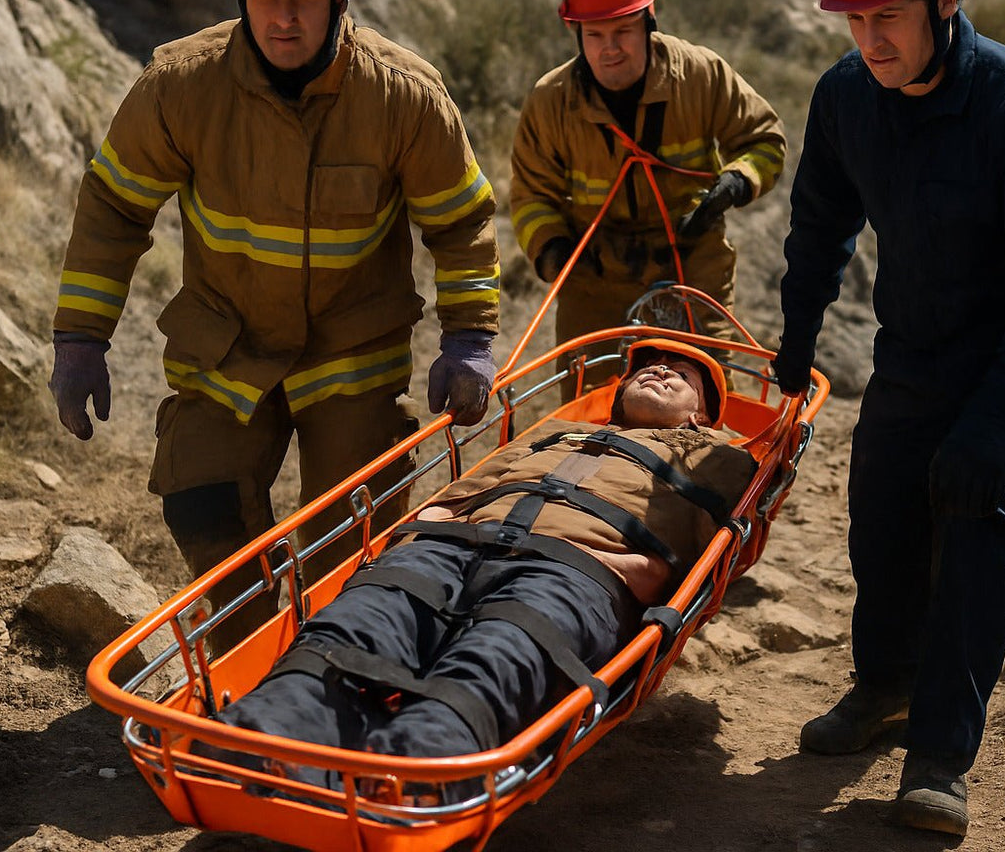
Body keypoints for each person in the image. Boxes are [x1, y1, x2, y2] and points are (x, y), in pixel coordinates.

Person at [47, 0, 501, 646]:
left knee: (349, 542)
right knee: (203, 506)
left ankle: (335, 668)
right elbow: (115, 208)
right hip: (230, 346)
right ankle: (262, 662)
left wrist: (471, 338)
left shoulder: (405, 97)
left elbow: (459, 224)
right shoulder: (180, 88)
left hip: (350, 354)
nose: (284, 17)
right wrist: (80, 337)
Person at [772, 0, 1005, 837]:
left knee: (975, 512)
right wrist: (798, 332)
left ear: (946, 0)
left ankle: (940, 753)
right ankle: (882, 685)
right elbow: (818, 225)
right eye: (854, 21)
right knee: (881, 500)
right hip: (917, 345)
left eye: (888, 17)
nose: (870, 41)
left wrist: (999, 422)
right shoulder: (848, 97)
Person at [203, 338, 754, 790]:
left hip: (580, 569)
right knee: (361, 621)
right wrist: (418, 537)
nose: (659, 369)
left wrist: (644, 572)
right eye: (648, 365)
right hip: (456, 544)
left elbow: (715, 554)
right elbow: (462, 490)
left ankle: (412, 772)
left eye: (680, 372)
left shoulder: (720, 455)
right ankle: (265, 735)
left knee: (500, 651)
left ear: (702, 413)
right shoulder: (557, 432)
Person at [510, 0, 786, 389]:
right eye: (595, 35)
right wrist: (554, 251)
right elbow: (529, 196)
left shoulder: (699, 75)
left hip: (692, 271)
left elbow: (766, 140)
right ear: (576, 33)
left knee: (703, 402)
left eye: (624, 30)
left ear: (648, 20)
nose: (611, 49)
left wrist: (736, 183)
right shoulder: (551, 102)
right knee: (591, 419)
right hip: (595, 281)